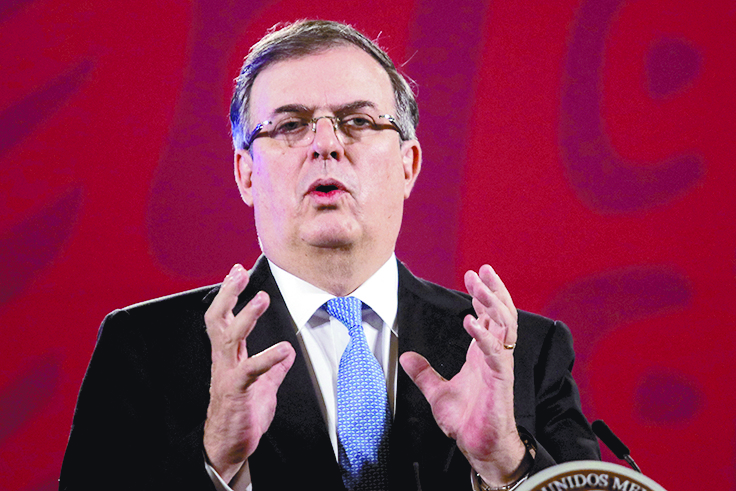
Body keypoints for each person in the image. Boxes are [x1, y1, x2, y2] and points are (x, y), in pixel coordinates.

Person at [59, 20, 599, 491]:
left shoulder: (520, 354)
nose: (325, 144)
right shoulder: (145, 348)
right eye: (291, 124)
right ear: (245, 173)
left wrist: (506, 464)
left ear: (408, 165)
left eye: (358, 121)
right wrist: (215, 460)